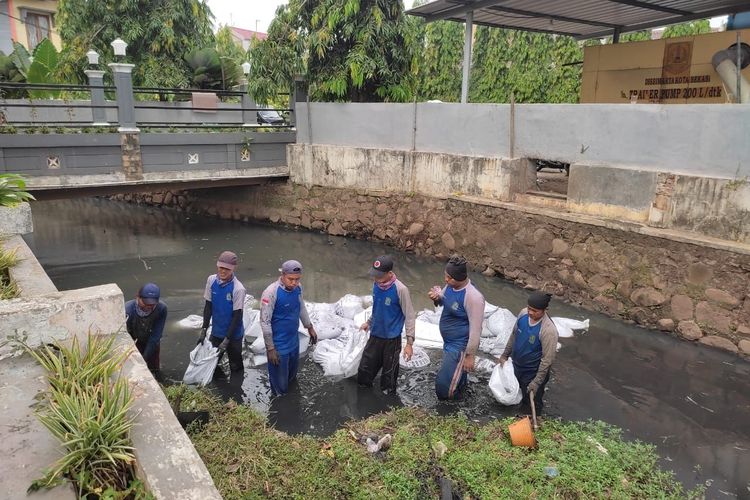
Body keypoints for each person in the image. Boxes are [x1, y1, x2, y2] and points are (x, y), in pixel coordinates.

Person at [428, 255, 485, 400]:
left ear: (460, 277)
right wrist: (437, 299)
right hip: (449, 343)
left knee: (443, 386)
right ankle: (462, 399)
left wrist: (470, 355)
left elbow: (476, 329)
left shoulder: (473, 297)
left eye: (450, 278)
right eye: (446, 276)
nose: (446, 280)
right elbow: (444, 304)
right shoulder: (450, 286)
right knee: (457, 378)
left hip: (459, 346)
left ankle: (446, 412)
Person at [357, 255, 416, 393]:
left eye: (379, 276)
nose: (376, 279)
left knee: (388, 381)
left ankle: (388, 410)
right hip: (375, 335)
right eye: (375, 275)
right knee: (364, 373)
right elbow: (377, 307)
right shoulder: (376, 285)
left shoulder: (401, 290)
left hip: (392, 340)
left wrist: (409, 343)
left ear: (389, 273)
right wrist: (369, 322)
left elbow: (410, 316)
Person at [260, 259, 318, 396]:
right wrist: (270, 348)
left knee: (291, 378)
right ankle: (280, 410)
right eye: (290, 279)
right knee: (280, 387)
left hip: (293, 341)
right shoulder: (271, 293)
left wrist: (309, 327)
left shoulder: (298, 288)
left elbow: (301, 307)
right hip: (278, 346)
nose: (294, 283)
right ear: (283, 275)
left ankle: (292, 402)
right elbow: (264, 322)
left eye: (297, 279)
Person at [498, 291, 559, 415]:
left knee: (531, 403)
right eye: (529, 308)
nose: (530, 312)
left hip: (532, 371)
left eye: (535, 311)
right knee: (514, 393)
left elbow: (547, 360)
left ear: (544, 310)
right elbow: (514, 335)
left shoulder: (548, 330)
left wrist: (536, 382)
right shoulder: (523, 314)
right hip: (517, 365)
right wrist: (505, 355)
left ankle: (531, 422)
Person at [198, 250, 246, 377]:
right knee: (211, 363)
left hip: (233, 335)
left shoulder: (238, 289)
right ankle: (219, 385)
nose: (223, 271)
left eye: (227, 269)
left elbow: (237, 316)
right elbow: (208, 306)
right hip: (217, 331)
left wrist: (227, 340)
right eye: (221, 267)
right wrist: (204, 329)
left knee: (235, 366)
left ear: (233, 269)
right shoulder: (211, 280)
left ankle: (236, 391)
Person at [125, 282, 167, 372]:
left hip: (152, 342)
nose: (148, 307)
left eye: (152, 304)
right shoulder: (127, 310)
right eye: (145, 303)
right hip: (133, 341)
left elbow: (156, 335)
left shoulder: (161, 309)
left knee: (154, 368)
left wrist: (144, 358)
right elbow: (125, 335)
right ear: (138, 297)